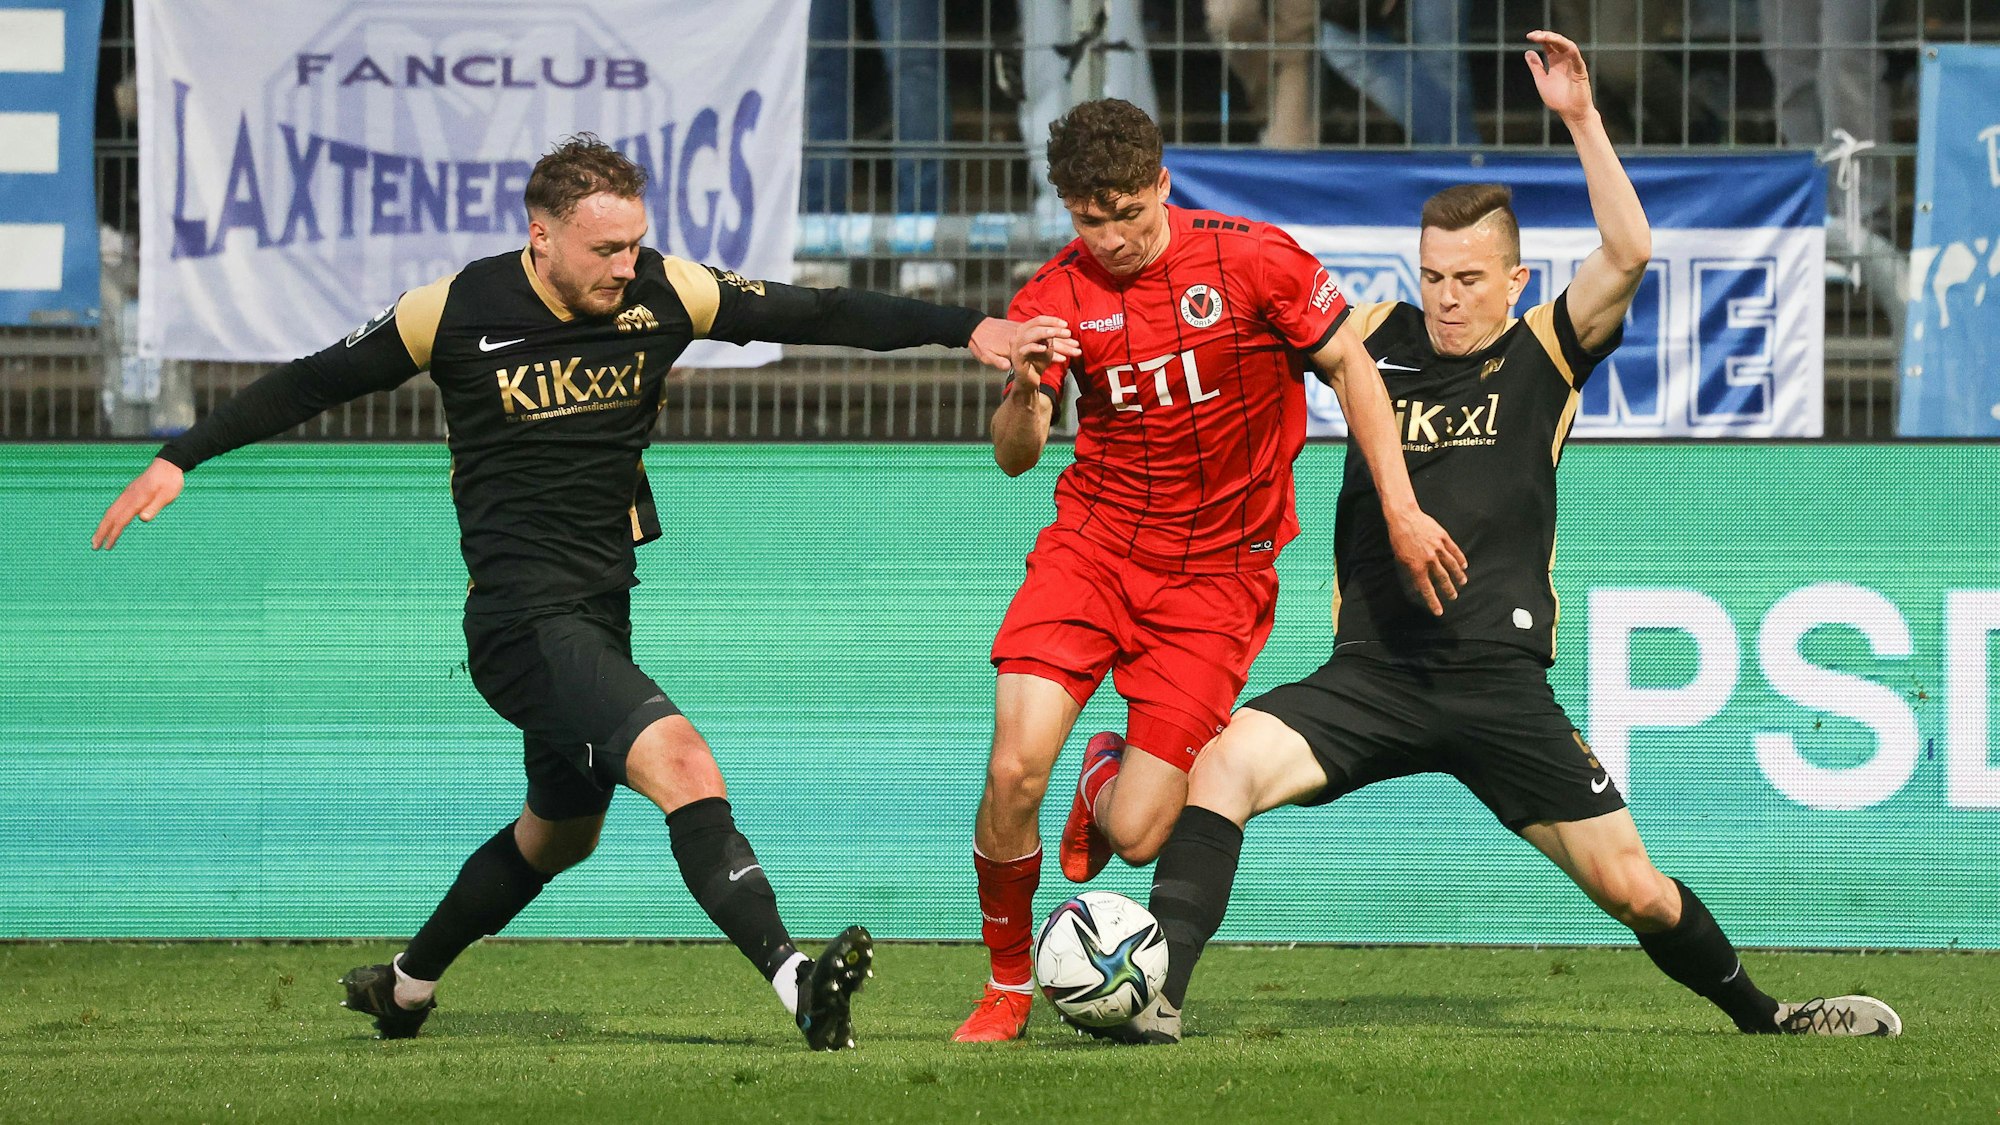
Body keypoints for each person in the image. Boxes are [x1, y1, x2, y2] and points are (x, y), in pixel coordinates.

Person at [91, 135, 1077, 1052]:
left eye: (634, 244)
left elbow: (815, 311)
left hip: (600, 607)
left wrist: (968, 329)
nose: (623, 266)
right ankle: (797, 982)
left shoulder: (664, 293)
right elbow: (312, 382)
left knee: (558, 833)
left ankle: (404, 987)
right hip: (520, 622)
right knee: (683, 764)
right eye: (605, 248)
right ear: (541, 236)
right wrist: (181, 457)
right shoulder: (453, 311)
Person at [1117, 31, 1904, 1044]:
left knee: (1634, 889)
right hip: (1372, 673)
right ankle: (1153, 998)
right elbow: (1244, 321)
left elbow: (1626, 253)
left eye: (1469, 279)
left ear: (1514, 280)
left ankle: (1766, 1015)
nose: (1447, 297)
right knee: (1221, 768)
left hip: (1498, 684)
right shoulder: (1370, 339)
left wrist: (1578, 117)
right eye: (1434, 276)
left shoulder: (1542, 353)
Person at [952, 97, 1467, 1042]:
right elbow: (1016, 456)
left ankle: (1104, 775)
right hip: (1096, 546)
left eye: (1128, 215)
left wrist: (1400, 507)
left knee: (1142, 832)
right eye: (1087, 219)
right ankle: (1009, 984)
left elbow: (1352, 366)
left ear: (1163, 185)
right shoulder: (1054, 297)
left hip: (1219, 575)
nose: (1110, 238)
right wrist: (1025, 385)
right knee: (1015, 766)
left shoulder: (1252, 259)